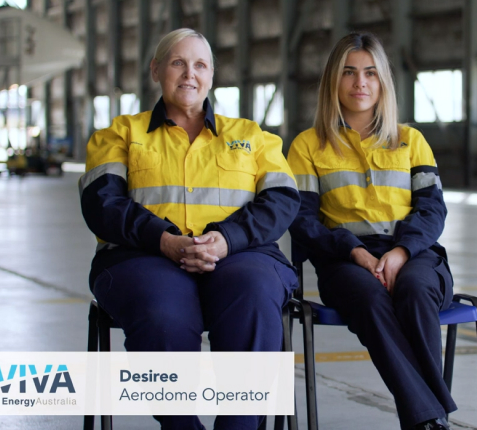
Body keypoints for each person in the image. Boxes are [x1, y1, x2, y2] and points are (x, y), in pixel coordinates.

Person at [79, 28, 299, 430]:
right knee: (161, 313)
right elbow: (102, 203)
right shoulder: (120, 134)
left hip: (240, 255)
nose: (189, 74)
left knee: (253, 296)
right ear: (156, 69)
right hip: (142, 256)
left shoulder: (251, 136)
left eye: (200, 65)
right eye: (178, 63)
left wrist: (227, 240)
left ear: (212, 75)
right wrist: (162, 240)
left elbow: (283, 201)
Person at [287, 32, 455, 430]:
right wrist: (353, 251)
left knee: (413, 290)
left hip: (412, 255)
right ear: (333, 80)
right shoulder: (308, 146)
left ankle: (425, 419)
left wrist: (401, 252)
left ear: (382, 82)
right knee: (369, 296)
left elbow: (432, 210)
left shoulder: (410, 141)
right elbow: (303, 221)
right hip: (344, 260)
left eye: (370, 73)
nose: (360, 83)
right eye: (348, 73)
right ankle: (433, 417)